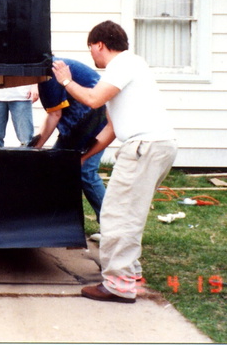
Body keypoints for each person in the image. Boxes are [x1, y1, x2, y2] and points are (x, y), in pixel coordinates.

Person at [51, 20, 176, 304]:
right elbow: (110, 128)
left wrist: (66, 81)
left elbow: (93, 100)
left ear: (99, 45)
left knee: (117, 216)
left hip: (144, 147)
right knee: (127, 214)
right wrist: (84, 158)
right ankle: (130, 275)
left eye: (91, 49)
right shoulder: (132, 67)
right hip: (156, 146)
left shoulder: (121, 65)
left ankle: (119, 286)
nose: (91, 55)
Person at [31, 57, 107, 223]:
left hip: (93, 120)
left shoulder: (49, 73)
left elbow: (54, 116)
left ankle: (112, 227)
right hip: (80, 121)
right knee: (57, 167)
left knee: (86, 170)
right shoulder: (47, 68)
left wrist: (35, 148)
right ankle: (56, 221)